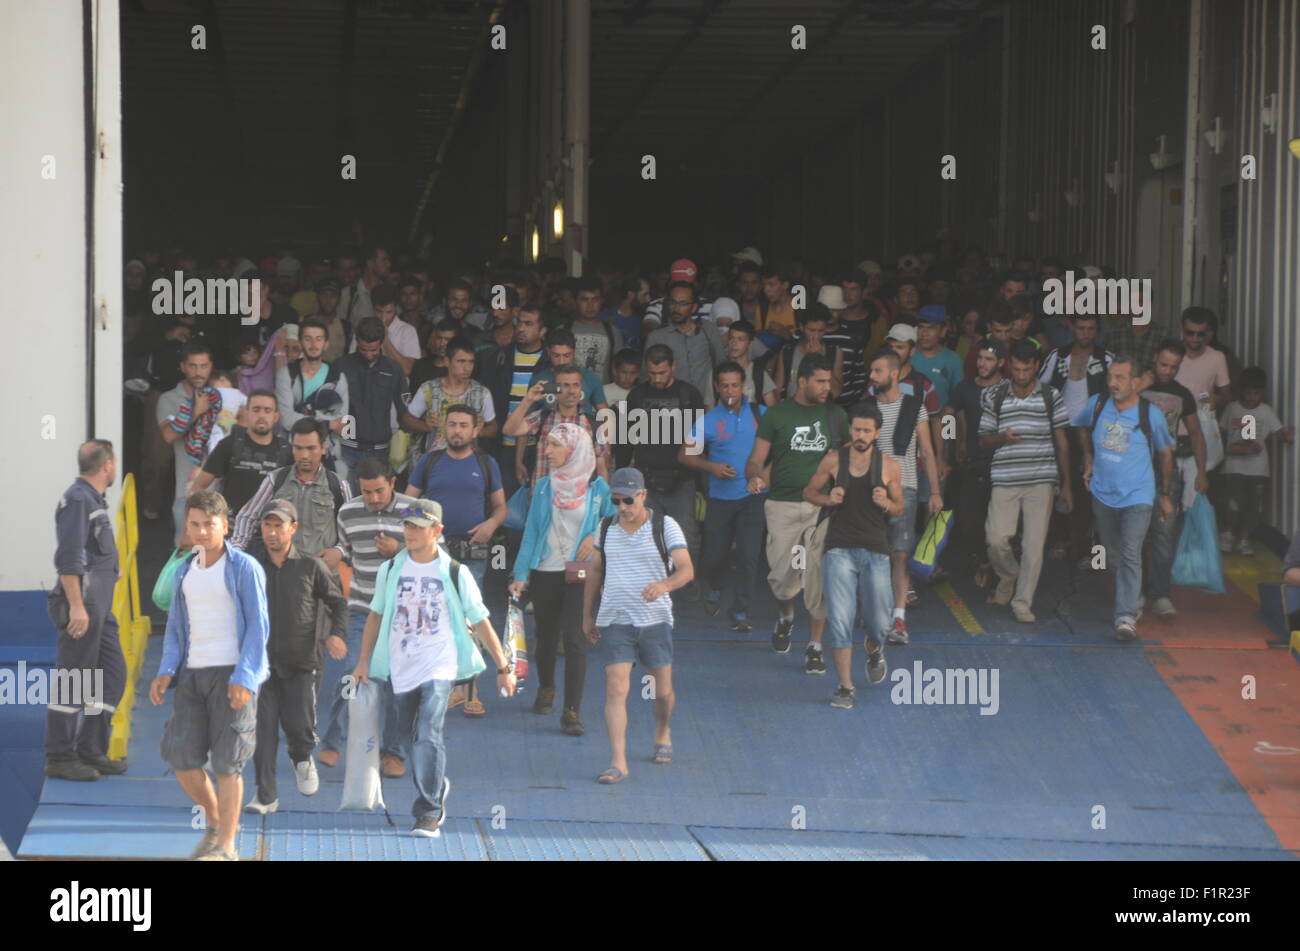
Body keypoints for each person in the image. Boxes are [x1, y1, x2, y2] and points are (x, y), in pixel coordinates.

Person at [351, 498, 517, 836]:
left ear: (437, 531)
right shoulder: (390, 569)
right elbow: (376, 615)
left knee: (428, 733)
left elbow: (480, 620)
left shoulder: (456, 572)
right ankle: (435, 788)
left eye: (418, 526)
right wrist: (363, 662)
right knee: (413, 738)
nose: (409, 532)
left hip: (440, 666)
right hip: (400, 666)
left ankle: (427, 810)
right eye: (407, 525)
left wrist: (503, 665)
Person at [149, 491, 270, 861]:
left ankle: (227, 847)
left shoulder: (245, 567)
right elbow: (175, 628)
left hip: (232, 675)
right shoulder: (184, 570)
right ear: (187, 527)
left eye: (210, 524)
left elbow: (258, 628)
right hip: (192, 676)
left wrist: (245, 677)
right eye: (195, 525)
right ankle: (216, 824)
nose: (202, 532)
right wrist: (166, 671)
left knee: (227, 764)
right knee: (180, 757)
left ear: (225, 526)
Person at [582, 468, 694, 784]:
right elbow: (594, 572)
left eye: (628, 500)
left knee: (663, 691)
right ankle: (618, 761)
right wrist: (587, 616)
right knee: (616, 687)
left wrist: (664, 585)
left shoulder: (664, 526)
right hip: (616, 619)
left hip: (655, 620)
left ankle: (662, 729)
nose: (622, 507)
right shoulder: (605, 528)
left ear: (643, 495)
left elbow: (686, 570)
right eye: (616, 501)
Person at [745, 354, 848, 670]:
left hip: (822, 508)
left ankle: (814, 646)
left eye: (828, 381)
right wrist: (754, 476)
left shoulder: (836, 416)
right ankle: (786, 615)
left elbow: (848, 463)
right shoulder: (776, 414)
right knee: (781, 577)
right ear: (801, 381)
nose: (825, 387)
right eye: (819, 381)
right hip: (781, 505)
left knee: (819, 578)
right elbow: (756, 459)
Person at [510, 425, 614, 736]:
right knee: (545, 635)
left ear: (574, 449)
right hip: (545, 570)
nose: (548, 451)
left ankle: (571, 711)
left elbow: (615, 522)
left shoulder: (597, 488)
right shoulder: (543, 486)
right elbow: (530, 532)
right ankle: (546, 688)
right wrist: (520, 574)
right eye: (548, 445)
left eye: (555, 445)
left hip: (578, 570)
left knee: (574, 637)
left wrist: (594, 538)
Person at [246, 500, 348, 814]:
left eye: (279, 526)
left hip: (303, 662)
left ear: (293, 528)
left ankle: (302, 757)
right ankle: (266, 796)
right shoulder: (250, 566)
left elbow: (338, 603)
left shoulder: (310, 566)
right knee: (262, 731)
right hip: (260, 665)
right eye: (267, 525)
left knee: (299, 725)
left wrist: (336, 634)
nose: (272, 532)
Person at [405, 404, 507, 714]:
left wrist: (490, 525)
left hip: (472, 552)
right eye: (452, 425)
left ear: (475, 430)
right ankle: (441, 685)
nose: (457, 431)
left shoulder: (486, 463)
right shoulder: (429, 461)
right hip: (433, 551)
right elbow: (409, 505)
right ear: (443, 429)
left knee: (470, 618)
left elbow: (501, 508)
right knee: (435, 617)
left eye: (464, 425)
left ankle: (470, 689)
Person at [804, 402, 903, 707]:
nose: (860, 435)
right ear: (851, 429)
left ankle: (874, 646)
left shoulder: (888, 465)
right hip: (838, 549)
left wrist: (886, 501)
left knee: (880, 622)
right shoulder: (834, 459)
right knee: (840, 621)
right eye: (857, 429)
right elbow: (809, 492)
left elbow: (900, 508)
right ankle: (845, 687)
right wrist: (827, 498)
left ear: (877, 432)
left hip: (875, 550)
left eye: (866, 430)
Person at [1072, 355, 1176, 642]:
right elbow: (1080, 425)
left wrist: (1164, 494)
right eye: (1111, 377)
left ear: (1135, 382)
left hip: (1138, 495)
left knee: (1130, 553)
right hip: (1103, 494)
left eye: (1120, 378)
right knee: (1113, 554)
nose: (1113, 383)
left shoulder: (1149, 413)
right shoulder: (1097, 405)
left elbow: (1166, 453)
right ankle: (1134, 595)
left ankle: (1125, 616)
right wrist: (1088, 457)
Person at [326, 458, 415, 776]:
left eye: (379, 490)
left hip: (405, 613)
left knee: (397, 684)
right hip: (363, 607)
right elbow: (348, 550)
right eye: (367, 492)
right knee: (351, 673)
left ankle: (393, 753)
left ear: (392, 482)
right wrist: (337, 555)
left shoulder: (414, 510)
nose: (374, 498)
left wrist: (400, 548)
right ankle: (333, 742)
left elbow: (437, 553)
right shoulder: (348, 512)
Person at [46, 440, 128, 781]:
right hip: (84, 606)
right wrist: (77, 607)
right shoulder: (79, 500)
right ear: (108, 465)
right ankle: (61, 757)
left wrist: (112, 569)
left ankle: (91, 749)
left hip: (100, 608)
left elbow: (92, 551)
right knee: (75, 679)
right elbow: (69, 558)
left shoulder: (92, 500)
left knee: (111, 675)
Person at [977, 339, 1073, 623]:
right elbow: (983, 440)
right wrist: (1002, 438)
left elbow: (1062, 442)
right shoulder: (994, 394)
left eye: (1026, 370)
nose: (1021, 376)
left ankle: (1022, 602)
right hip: (1005, 478)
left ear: (1036, 367)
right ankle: (1009, 574)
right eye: (1016, 369)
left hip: (1041, 480)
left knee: (1034, 546)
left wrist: (1066, 484)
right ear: (1008, 365)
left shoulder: (1050, 395)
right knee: (995, 539)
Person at [864, 349, 942, 643]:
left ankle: (898, 618)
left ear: (894, 375)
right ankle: (875, 610)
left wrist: (934, 492)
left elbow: (928, 451)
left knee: (899, 554)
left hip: (905, 488)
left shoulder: (915, 407)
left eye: (877, 372)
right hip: (870, 489)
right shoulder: (866, 407)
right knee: (872, 554)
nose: (871, 377)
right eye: (871, 372)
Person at [682, 361, 767, 632]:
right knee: (714, 556)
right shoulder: (707, 421)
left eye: (736, 385)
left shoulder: (762, 414)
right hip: (719, 498)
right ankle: (715, 585)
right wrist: (712, 467)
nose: (731, 390)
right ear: (717, 387)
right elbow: (684, 454)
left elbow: (779, 451)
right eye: (725, 386)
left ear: (744, 386)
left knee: (748, 556)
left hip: (753, 498)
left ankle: (740, 611)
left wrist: (763, 477)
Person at [1140, 340, 1210, 617]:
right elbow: (1113, 408)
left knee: (1164, 536)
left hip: (1168, 472)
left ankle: (1159, 594)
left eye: (1174, 366)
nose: (1167, 371)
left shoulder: (1182, 395)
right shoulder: (1138, 385)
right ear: (1154, 357)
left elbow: (1195, 433)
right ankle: (1135, 593)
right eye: (1163, 364)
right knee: (1135, 536)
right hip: (1135, 472)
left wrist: (1202, 471)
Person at [231, 418, 353, 564]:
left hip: (322, 575)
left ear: (323, 448)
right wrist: (237, 551)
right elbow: (247, 517)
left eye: (311, 448)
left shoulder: (339, 485)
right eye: (298, 448)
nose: (304, 455)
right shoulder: (276, 479)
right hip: (279, 572)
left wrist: (339, 551)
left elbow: (351, 528)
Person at [1220, 366, 1294, 555]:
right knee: (1235, 502)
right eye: (1249, 393)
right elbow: (1220, 433)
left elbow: (1280, 433)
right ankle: (1228, 534)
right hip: (1234, 466)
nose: (1252, 397)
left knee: (1252, 505)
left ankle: (1244, 538)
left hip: (1257, 468)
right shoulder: (1232, 409)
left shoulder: (1266, 412)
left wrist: (1288, 435)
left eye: (1257, 393)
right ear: (1241, 391)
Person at [948, 339, 1005, 586]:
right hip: (972, 464)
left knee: (999, 525)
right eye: (980, 358)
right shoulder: (965, 388)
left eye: (989, 359)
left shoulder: (1010, 389)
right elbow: (947, 415)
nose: (982, 364)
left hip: (1003, 467)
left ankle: (995, 567)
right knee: (969, 523)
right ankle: (982, 559)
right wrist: (952, 443)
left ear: (1001, 363)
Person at [190, 389, 292, 521]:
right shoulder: (229, 445)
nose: (261, 415)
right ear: (247, 413)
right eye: (256, 410)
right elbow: (198, 487)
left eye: (267, 410)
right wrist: (194, 524)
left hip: (270, 532)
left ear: (276, 417)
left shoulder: (286, 450)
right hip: (231, 529)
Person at [157, 341, 222, 545]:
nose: (198, 372)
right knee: (184, 550)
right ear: (183, 367)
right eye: (193, 366)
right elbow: (168, 436)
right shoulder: (169, 398)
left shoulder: (221, 396)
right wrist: (195, 412)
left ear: (211, 366)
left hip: (219, 492)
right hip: (185, 491)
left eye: (203, 366)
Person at [333, 316, 409, 491]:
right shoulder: (341, 366)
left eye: (373, 350)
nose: (368, 354)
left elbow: (405, 413)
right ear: (356, 341)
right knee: (347, 504)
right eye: (363, 349)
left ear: (382, 342)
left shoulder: (393, 369)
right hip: (347, 449)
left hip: (381, 452)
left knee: (375, 507)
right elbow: (328, 408)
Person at [402, 340, 497, 472]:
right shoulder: (429, 389)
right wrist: (425, 426)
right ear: (447, 361)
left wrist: (481, 431)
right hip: (432, 465)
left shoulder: (482, 393)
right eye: (461, 361)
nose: (467, 367)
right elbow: (407, 420)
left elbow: (493, 428)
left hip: (467, 466)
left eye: (471, 362)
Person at [506, 365, 610, 484]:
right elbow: (509, 430)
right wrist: (528, 400)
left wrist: (604, 499)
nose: (571, 391)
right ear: (555, 389)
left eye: (575, 385)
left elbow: (601, 469)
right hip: (543, 498)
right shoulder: (543, 417)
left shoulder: (594, 424)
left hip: (579, 500)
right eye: (565, 385)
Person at [275, 318, 349, 463]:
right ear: (301, 342)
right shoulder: (287, 374)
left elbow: (342, 422)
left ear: (326, 344)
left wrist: (303, 416)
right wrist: (327, 423)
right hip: (292, 451)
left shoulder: (337, 377)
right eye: (308, 339)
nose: (313, 345)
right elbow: (287, 420)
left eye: (319, 339)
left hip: (327, 452)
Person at [644, 281, 726, 409]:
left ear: (693, 307)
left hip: (706, 406)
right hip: (671, 409)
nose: (676, 308)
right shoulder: (657, 336)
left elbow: (722, 366)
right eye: (673, 302)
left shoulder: (708, 330)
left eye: (683, 304)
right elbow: (646, 378)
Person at [771, 304, 845, 400]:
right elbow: (777, 389)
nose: (816, 335)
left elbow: (836, 392)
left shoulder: (835, 352)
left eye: (821, 331)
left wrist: (821, 357)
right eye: (811, 330)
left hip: (820, 411)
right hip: (792, 408)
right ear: (801, 327)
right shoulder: (788, 352)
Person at [570, 275, 624, 383]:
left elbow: (620, 371)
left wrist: (619, 400)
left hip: (604, 397)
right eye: (584, 300)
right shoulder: (564, 331)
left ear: (601, 301)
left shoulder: (613, 333)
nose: (590, 305)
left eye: (595, 299)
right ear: (575, 301)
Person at [723, 320, 778, 407]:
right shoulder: (715, 373)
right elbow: (709, 415)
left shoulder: (758, 373)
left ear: (750, 344)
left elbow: (773, 412)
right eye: (731, 338)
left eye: (740, 339)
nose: (734, 343)